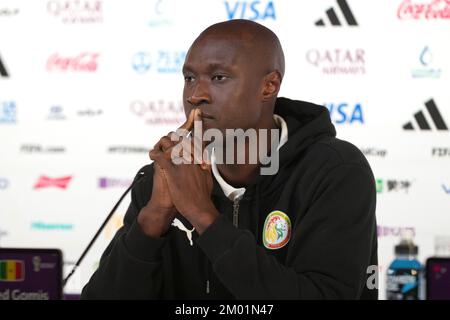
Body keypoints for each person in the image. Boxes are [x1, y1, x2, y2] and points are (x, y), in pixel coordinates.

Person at [81, 19, 378, 299]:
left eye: (218, 77)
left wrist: (203, 215)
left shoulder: (334, 171)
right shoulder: (163, 179)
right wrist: (154, 216)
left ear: (269, 86)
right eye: (189, 78)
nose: (196, 94)